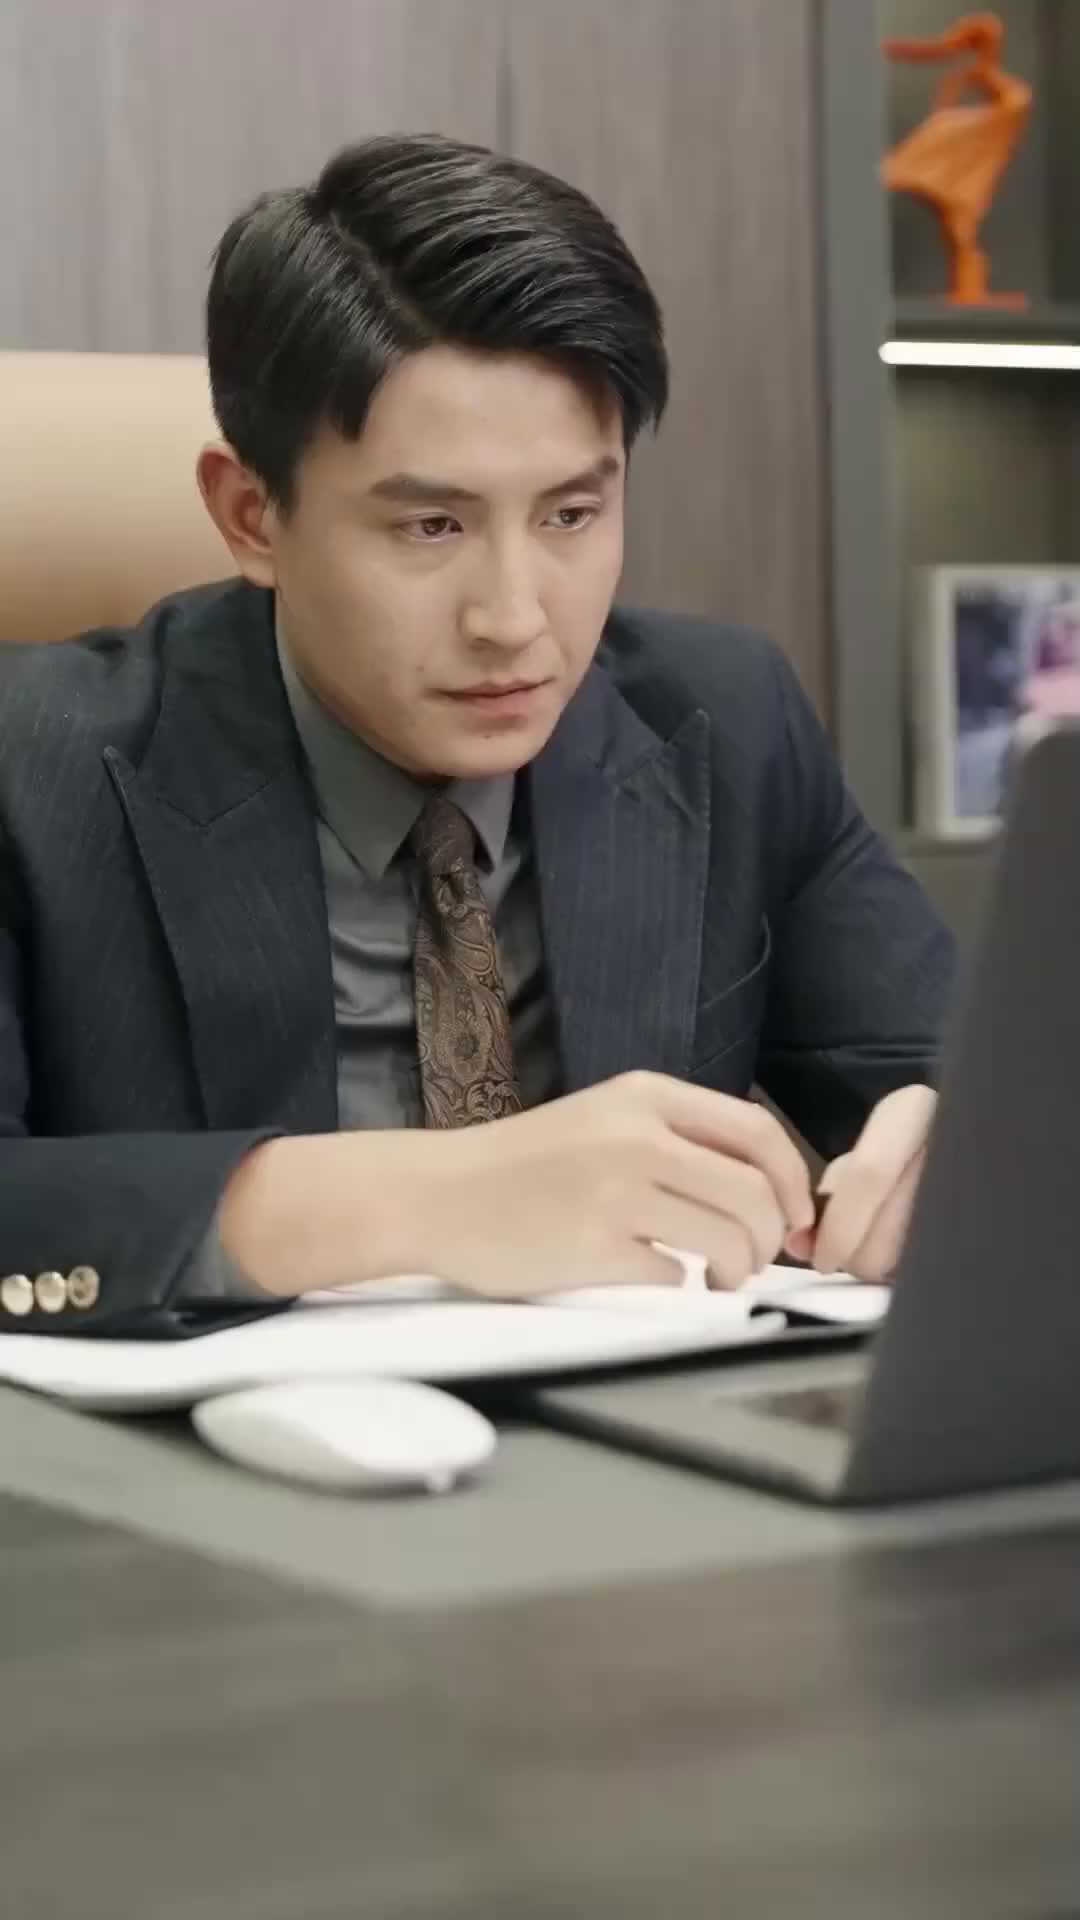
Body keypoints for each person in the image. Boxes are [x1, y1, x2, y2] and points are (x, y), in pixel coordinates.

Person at [0, 135, 953, 1338]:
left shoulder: (724, 720)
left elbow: (959, 1078)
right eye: (433, 528)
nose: (514, 620)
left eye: (572, 513)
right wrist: (426, 1198)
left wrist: (962, 1145)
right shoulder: (30, 764)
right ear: (251, 516)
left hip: (641, 1429)